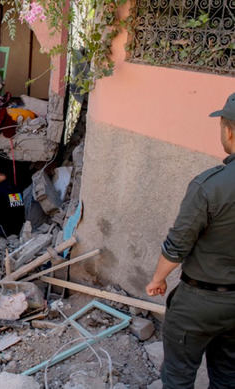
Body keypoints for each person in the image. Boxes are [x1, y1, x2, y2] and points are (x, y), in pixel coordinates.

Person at [145, 92, 235, 389]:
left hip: (199, 302)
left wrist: (158, 278)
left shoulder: (210, 186)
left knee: (178, 376)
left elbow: (178, 244)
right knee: (227, 377)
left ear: (230, 131)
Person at [0, 168, 25, 236]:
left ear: (3, 176)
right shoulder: (16, 188)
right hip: (19, 229)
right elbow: (19, 209)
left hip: (4, 230)